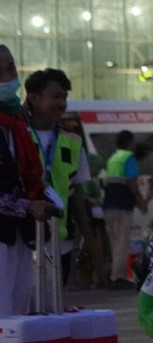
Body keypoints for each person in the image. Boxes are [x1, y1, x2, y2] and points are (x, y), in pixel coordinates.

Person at [24, 68, 91, 292]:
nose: (62, 103)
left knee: (54, 310)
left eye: (64, 97)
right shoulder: (15, 135)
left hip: (59, 241)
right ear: (33, 98)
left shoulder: (73, 141)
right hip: (21, 239)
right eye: (56, 96)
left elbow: (78, 194)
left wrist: (87, 239)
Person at [1, 44, 56, 316]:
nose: (10, 77)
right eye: (2, 71)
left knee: (19, 317)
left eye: (11, 68)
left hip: (20, 235)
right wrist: (26, 206)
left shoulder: (16, 120)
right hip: (4, 234)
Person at [103, 130, 141, 289]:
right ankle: (118, 277)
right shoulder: (128, 157)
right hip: (122, 205)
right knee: (123, 243)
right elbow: (132, 182)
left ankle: (114, 275)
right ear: (130, 142)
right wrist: (141, 201)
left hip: (109, 205)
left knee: (114, 242)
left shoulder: (112, 158)